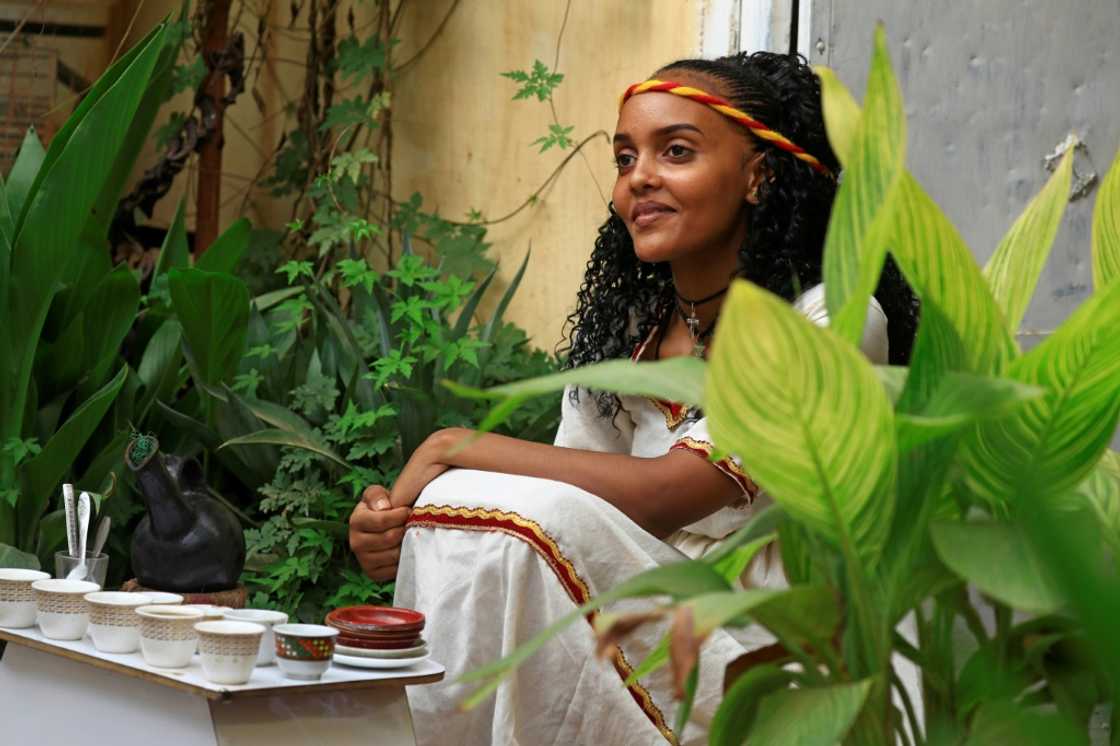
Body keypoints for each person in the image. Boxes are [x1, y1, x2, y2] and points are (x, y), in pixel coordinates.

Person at [349, 51, 918, 745]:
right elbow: (571, 508)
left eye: (675, 151)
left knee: (500, 498)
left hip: (775, 648)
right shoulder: (631, 333)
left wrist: (453, 447)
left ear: (758, 176)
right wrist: (404, 520)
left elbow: (668, 493)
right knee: (474, 506)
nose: (639, 177)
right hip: (648, 620)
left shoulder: (833, 319)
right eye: (624, 158)